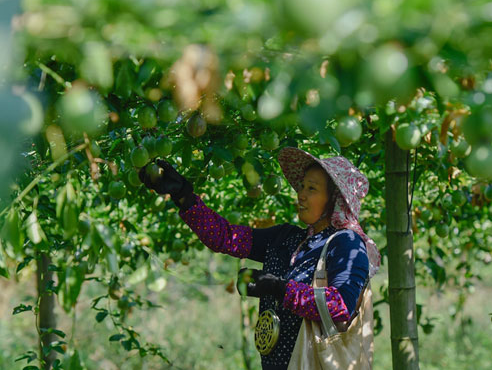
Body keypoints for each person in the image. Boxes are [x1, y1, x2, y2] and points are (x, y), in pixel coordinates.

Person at [138, 147, 380, 369]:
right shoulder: (287, 238)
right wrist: (184, 196)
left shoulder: (346, 243)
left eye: (312, 189)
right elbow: (224, 237)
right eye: (302, 187)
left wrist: (278, 288)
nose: (301, 195)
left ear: (334, 201)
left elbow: (340, 307)